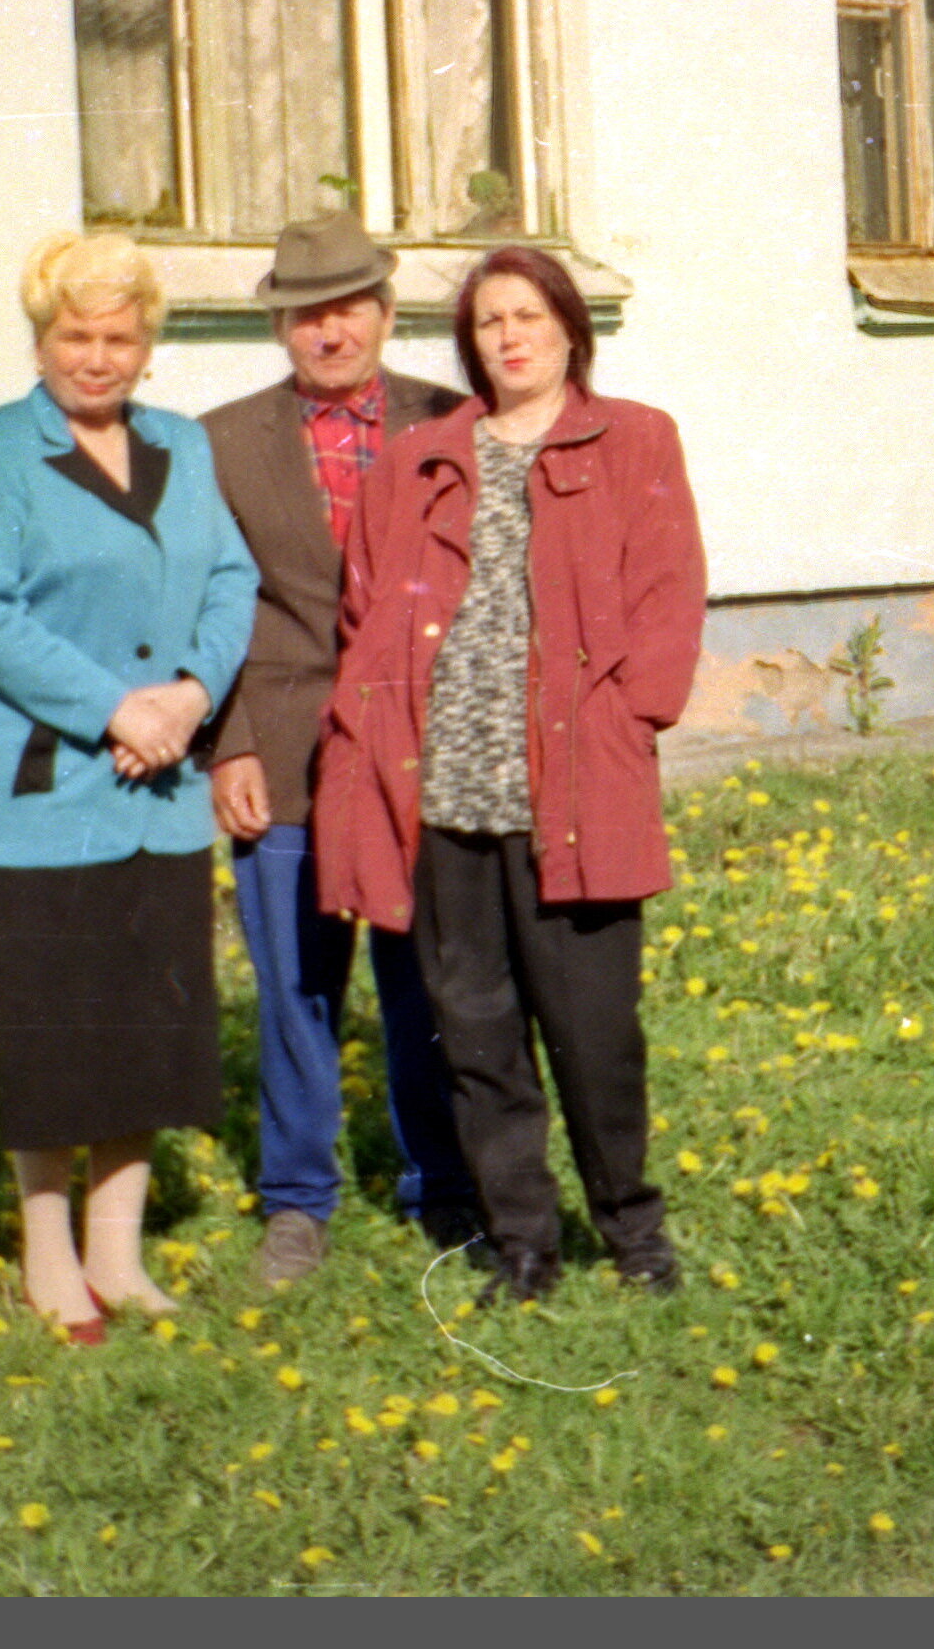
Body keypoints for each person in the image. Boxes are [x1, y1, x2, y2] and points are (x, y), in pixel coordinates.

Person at [315, 246, 707, 1304]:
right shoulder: (420, 460)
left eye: (530, 315)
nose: (511, 336)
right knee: (478, 1037)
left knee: (594, 1036)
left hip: (572, 791)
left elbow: (668, 598)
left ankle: (633, 1232)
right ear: (469, 343)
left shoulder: (635, 440)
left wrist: (626, 720)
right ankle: (523, 1243)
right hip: (444, 794)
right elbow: (366, 613)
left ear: (570, 328)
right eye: (490, 321)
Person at [0, 230, 257, 1342]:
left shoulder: (182, 445)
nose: (96, 357)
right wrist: (117, 711)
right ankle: (48, 1259)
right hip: (44, 792)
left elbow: (231, 579)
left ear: (148, 347)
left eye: (120, 338)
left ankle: (116, 1255)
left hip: (160, 793)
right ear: (40, 340)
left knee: (145, 1026)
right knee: (55, 1028)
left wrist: (188, 696)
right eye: (75, 335)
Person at [201, 213, 482, 1289]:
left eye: (348, 307)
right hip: (282, 748)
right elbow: (205, 608)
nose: (330, 330)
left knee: (426, 980)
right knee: (295, 986)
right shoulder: (222, 442)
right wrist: (228, 745)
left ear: (386, 311)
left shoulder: (451, 422)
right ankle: (296, 1202)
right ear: (280, 326)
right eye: (306, 313)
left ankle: (442, 1181)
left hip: (418, 748)